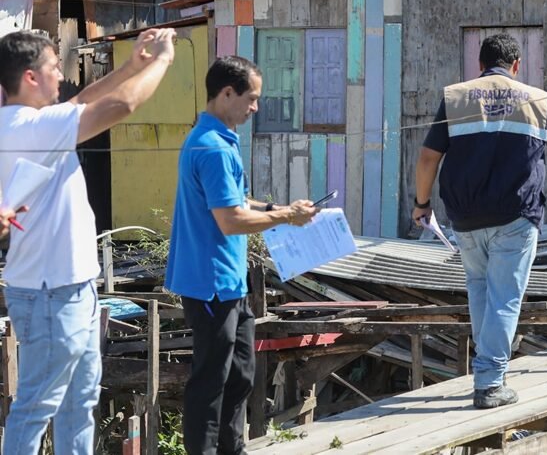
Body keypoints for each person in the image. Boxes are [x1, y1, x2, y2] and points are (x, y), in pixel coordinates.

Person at [0, 27, 177, 454]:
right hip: (52, 292)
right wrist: (162, 61)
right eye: (54, 67)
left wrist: (130, 66)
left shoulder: (32, 123)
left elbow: (81, 101)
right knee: (36, 406)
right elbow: (122, 105)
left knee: (78, 405)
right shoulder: (30, 127)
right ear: (30, 77)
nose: (61, 76)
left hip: (69, 287)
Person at [413, 33, 547, 409]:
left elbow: (427, 157)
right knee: (504, 296)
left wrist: (421, 204)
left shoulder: (456, 98)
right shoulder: (536, 100)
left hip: (466, 217)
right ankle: (489, 383)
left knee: (480, 290)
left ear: (480, 64)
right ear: (517, 65)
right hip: (515, 216)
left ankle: (490, 372)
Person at [165, 56, 318, 454]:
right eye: (251, 98)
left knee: (242, 373)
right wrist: (287, 217)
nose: (255, 107)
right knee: (211, 379)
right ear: (227, 93)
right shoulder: (212, 148)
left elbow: (235, 200)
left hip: (230, 279)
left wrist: (274, 208)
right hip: (210, 280)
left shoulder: (217, 138)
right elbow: (231, 220)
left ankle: (232, 448)